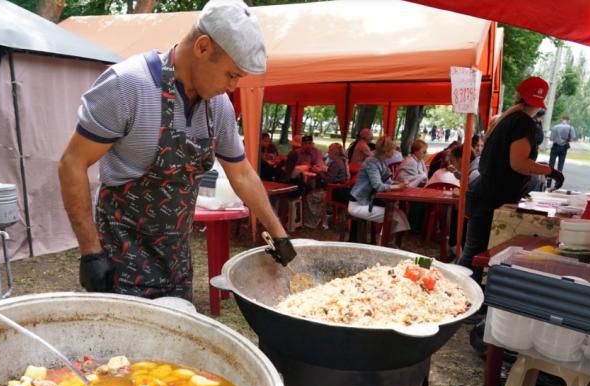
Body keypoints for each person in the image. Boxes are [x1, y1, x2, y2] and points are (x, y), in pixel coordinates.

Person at [58, 0, 294, 299]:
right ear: (203, 47)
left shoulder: (218, 107)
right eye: (231, 75)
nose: (233, 87)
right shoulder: (128, 86)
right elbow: (72, 163)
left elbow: (242, 173)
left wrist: (279, 234)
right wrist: (91, 253)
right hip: (119, 260)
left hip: (176, 264)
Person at [457, 77, 564, 280]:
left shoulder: (505, 118)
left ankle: (465, 300)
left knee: (473, 254)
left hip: (485, 192)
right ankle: (462, 301)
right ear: (541, 102)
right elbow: (519, 163)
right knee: (476, 256)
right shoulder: (523, 122)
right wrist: (549, 170)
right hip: (493, 196)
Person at [347, 136, 409, 240]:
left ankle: (388, 243)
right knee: (392, 216)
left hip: (366, 202)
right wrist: (397, 186)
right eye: (393, 149)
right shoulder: (372, 162)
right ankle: (386, 244)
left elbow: (386, 180)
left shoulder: (380, 161)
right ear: (387, 151)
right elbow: (378, 185)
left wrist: (398, 183)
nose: (395, 151)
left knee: (399, 214)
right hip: (358, 205)